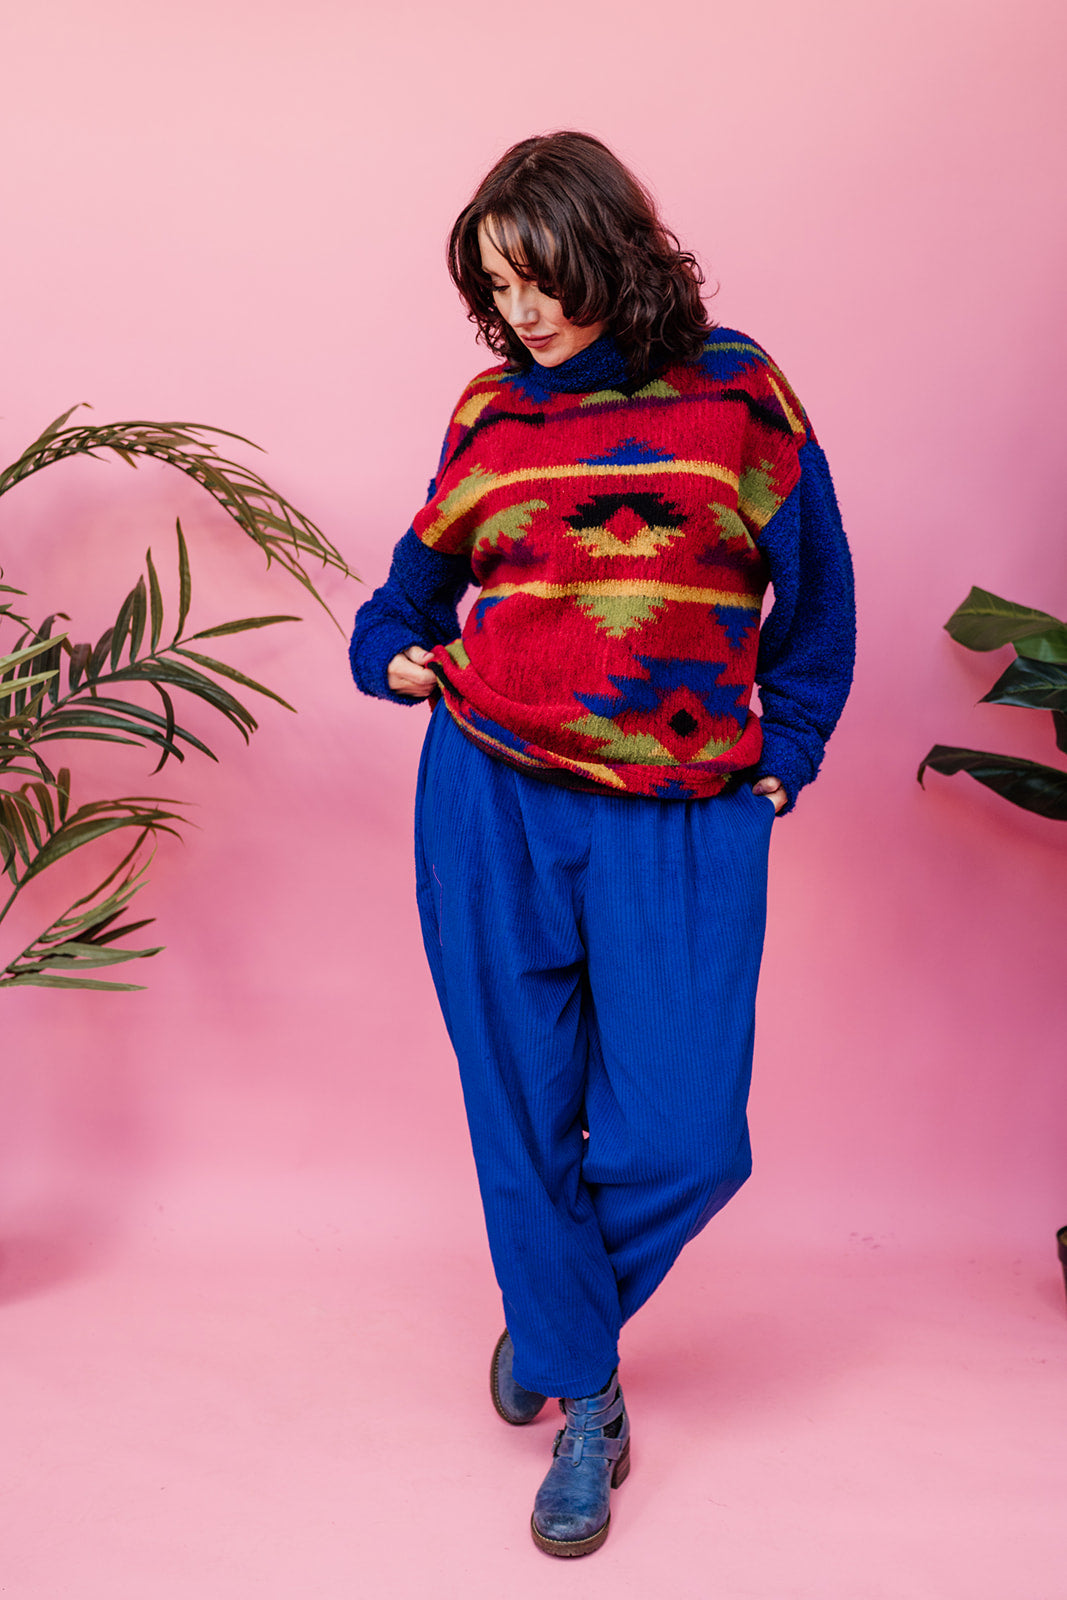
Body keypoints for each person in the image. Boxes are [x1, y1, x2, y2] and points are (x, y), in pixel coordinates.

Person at [349, 130, 855, 1558]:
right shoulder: (489, 412)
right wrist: (389, 654)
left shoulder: (737, 394)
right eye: (495, 286)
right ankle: (587, 1404)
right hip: (490, 793)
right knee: (519, 1107)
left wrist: (786, 758)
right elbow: (408, 594)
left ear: (611, 249)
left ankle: (554, 1314)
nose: (521, 311)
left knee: (687, 1135)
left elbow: (818, 602)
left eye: (541, 275)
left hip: (681, 811)